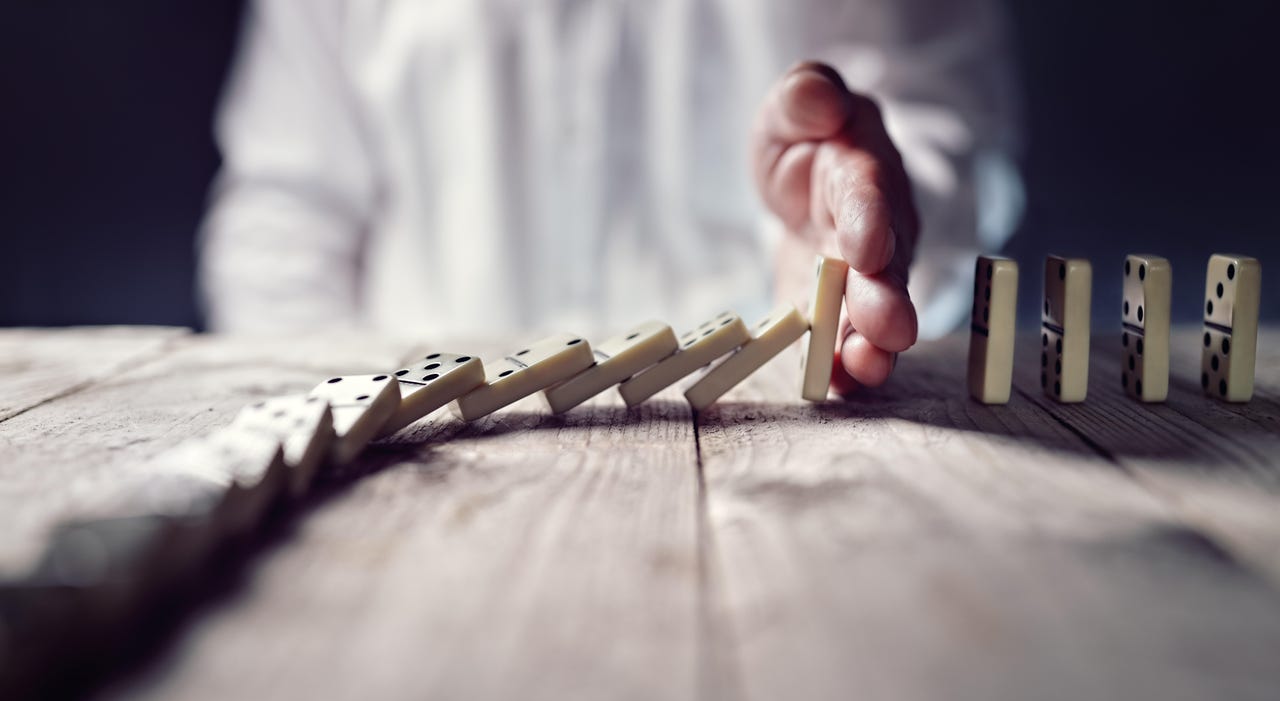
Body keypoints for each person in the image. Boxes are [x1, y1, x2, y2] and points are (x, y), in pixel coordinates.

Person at [199, 0, 1022, 393]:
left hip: (768, 446)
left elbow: (949, 135)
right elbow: (283, 218)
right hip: (409, 451)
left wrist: (877, 236)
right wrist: (345, 425)